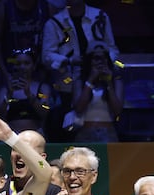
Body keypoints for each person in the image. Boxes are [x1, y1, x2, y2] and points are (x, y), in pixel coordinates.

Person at [41, 0, 118, 142]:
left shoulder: (100, 16)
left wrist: (103, 62)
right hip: (66, 85)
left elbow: (112, 48)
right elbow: (46, 56)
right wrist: (69, 60)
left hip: (101, 83)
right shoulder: (54, 22)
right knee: (69, 130)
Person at [0, 0, 51, 89]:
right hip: (11, 67)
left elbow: (55, 40)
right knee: (8, 99)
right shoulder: (4, 8)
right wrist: (5, 73)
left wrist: (47, 70)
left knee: (42, 98)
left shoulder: (47, 7)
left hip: (40, 69)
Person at [70, 43, 123, 143]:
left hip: (108, 133)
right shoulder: (80, 81)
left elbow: (117, 111)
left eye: (103, 58)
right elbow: (79, 108)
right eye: (96, 58)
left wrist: (108, 82)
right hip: (85, 132)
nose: (100, 62)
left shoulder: (116, 81)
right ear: (89, 60)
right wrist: (90, 80)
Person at [0, 48, 52, 134]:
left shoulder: (43, 88)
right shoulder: (5, 90)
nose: (22, 67)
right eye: (18, 64)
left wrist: (29, 94)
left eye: (26, 63)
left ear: (34, 66)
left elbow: (45, 113)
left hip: (36, 136)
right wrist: (9, 95)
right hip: (10, 137)